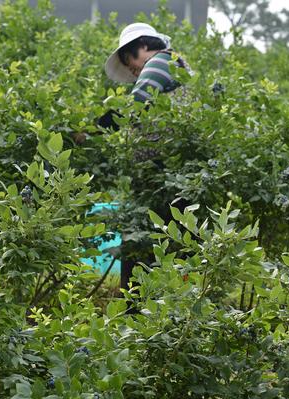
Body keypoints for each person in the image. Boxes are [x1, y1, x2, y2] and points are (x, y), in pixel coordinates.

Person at [102, 23, 192, 291]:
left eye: (130, 61)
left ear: (143, 45)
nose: (132, 70)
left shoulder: (160, 61)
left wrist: (92, 131)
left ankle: (133, 319)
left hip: (162, 180)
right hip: (173, 178)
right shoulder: (176, 64)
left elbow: (132, 108)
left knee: (138, 252)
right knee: (173, 251)